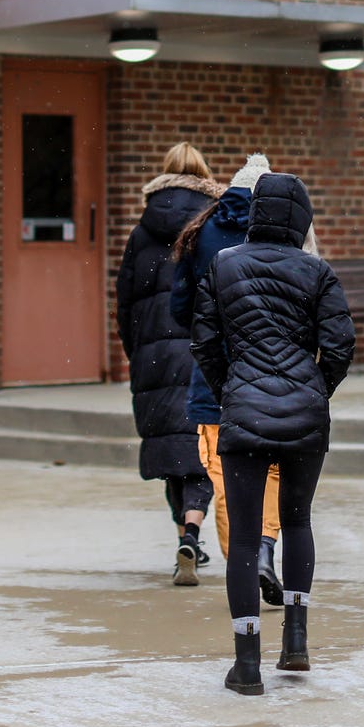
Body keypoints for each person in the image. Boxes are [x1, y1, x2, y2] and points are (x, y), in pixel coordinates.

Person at [189, 170, 354, 696]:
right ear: (303, 218)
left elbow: (205, 342)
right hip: (306, 414)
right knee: (298, 520)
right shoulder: (318, 271)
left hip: (242, 413)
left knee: (243, 536)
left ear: (257, 213)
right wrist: (313, 389)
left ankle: (248, 664)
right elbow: (342, 345)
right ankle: (297, 641)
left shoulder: (223, 265)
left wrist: (232, 389)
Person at [170, 153, 285, 604]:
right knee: (271, 468)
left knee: (223, 472)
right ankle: (264, 551)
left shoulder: (202, 231)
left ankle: (238, 563)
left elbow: (180, 307)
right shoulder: (285, 233)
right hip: (273, 373)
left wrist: (206, 331)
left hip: (214, 373)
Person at [116, 143, 226, 585]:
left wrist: (137, 350)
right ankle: (194, 530)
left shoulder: (141, 232)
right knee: (200, 448)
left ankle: (185, 536)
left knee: (169, 449)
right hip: (202, 350)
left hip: (153, 355)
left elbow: (124, 303)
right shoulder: (214, 225)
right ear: (203, 175)